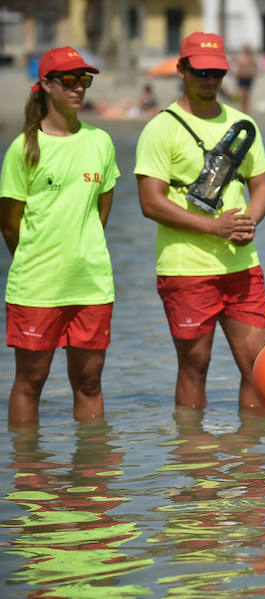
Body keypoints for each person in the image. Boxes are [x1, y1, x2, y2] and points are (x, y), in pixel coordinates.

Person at [134, 32, 265, 412]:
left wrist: (249, 223)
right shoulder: (161, 128)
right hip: (185, 269)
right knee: (195, 366)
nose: (210, 79)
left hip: (242, 266)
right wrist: (214, 227)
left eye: (217, 72)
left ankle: (250, 463)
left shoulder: (243, 123)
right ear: (181, 70)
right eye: (201, 71)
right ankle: (199, 466)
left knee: (259, 369)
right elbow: (150, 202)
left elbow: (261, 187)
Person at [0, 47, 120, 424]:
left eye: (84, 80)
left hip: (91, 285)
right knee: (30, 382)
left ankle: (91, 476)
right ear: (46, 85)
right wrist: (39, 257)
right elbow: (9, 224)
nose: (78, 88)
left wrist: (79, 250)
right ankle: (28, 474)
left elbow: (100, 213)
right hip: (37, 286)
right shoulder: (23, 148)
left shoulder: (100, 142)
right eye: (69, 80)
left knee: (89, 383)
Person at [234, 45, 258, 113]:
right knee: (243, 93)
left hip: (248, 77)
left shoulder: (251, 57)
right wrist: (233, 73)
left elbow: (256, 66)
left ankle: (246, 109)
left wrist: (255, 73)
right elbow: (230, 63)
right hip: (241, 76)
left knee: (247, 94)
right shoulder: (239, 56)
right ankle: (243, 109)